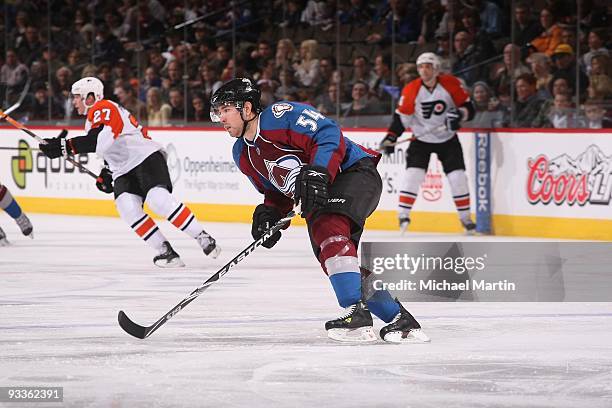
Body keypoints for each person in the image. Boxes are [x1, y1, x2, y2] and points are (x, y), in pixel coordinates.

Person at [209, 78, 430, 344]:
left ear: (246, 108)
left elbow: (327, 134)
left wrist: (319, 171)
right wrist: (269, 213)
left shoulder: (280, 117)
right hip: (324, 190)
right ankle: (400, 320)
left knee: (327, 227)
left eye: (225, 109)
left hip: (352, 173)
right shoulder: (242, 153)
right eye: (217, 112)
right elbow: (278, 191)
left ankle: (356, 315)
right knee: (335, 260)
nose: (221, 117)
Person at [38, 77, 220, 267]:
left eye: (77, 97)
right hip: (122, 170)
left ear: (90, 97)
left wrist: (64, 146)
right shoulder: (93, 119)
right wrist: (107, 173)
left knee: (158, 200)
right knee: (127, 207)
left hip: (145, 158)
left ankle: (202, 236)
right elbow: (107, 148)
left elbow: (100, 141)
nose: (73, 101)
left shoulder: (104, 107)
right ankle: (166, 252)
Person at [380, 53, 476, 233]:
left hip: (448, 138)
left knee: (458, 178)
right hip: (421, 139)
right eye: (421, 66)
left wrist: (459, 116)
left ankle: (465, 218)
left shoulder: (451, 84)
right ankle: (403, 215)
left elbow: (470, 109)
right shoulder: (411, 89)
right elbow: (402, 118)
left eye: (428, 66)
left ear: (436, 69)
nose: (424, 70)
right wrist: (391, 137)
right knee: (413, 175)